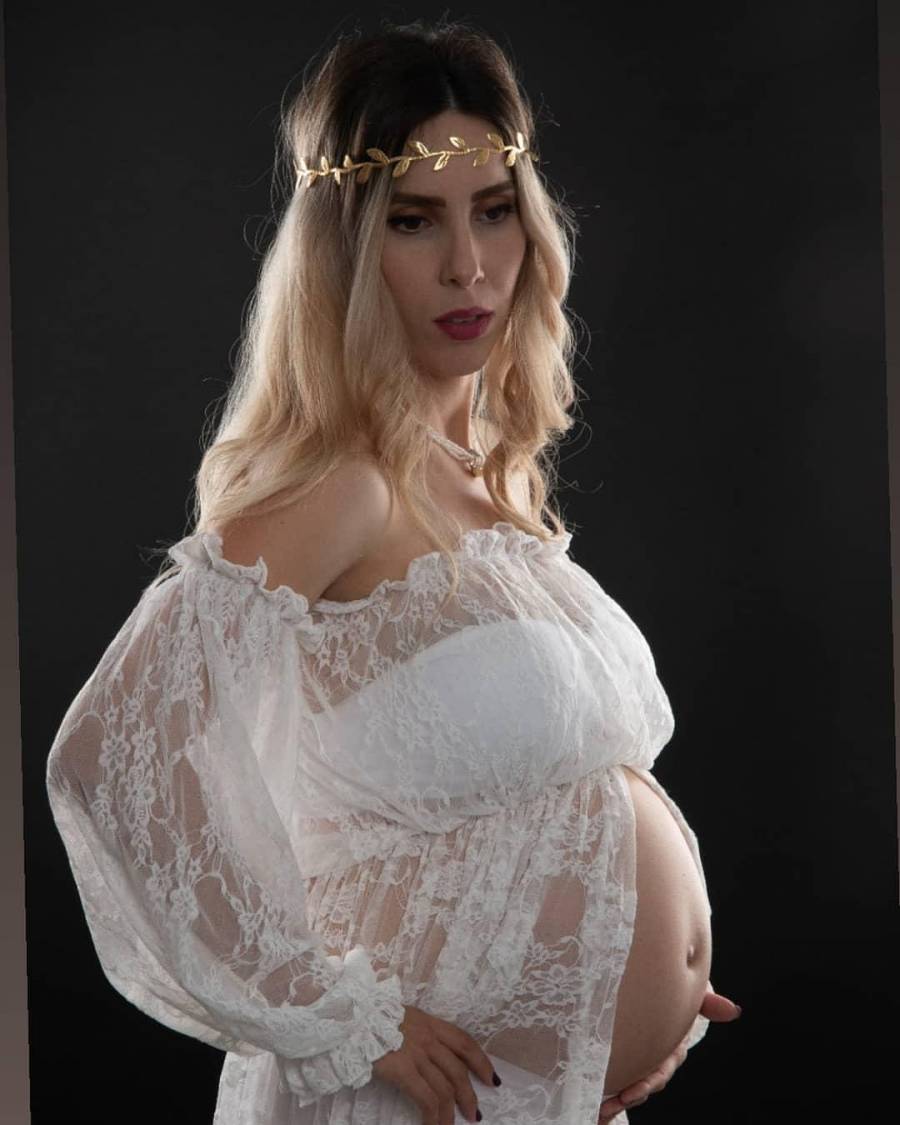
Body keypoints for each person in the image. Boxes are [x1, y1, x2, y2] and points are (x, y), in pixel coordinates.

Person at [44, 18, 741, 1125]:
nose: (468, 264)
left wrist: (635, 1005)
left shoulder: (493, 487)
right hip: (408, 1095)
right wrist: (331, 1015)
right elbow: (110, 752)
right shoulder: (347, 486)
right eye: (414, 221)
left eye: (493, 210)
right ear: (347, 250)